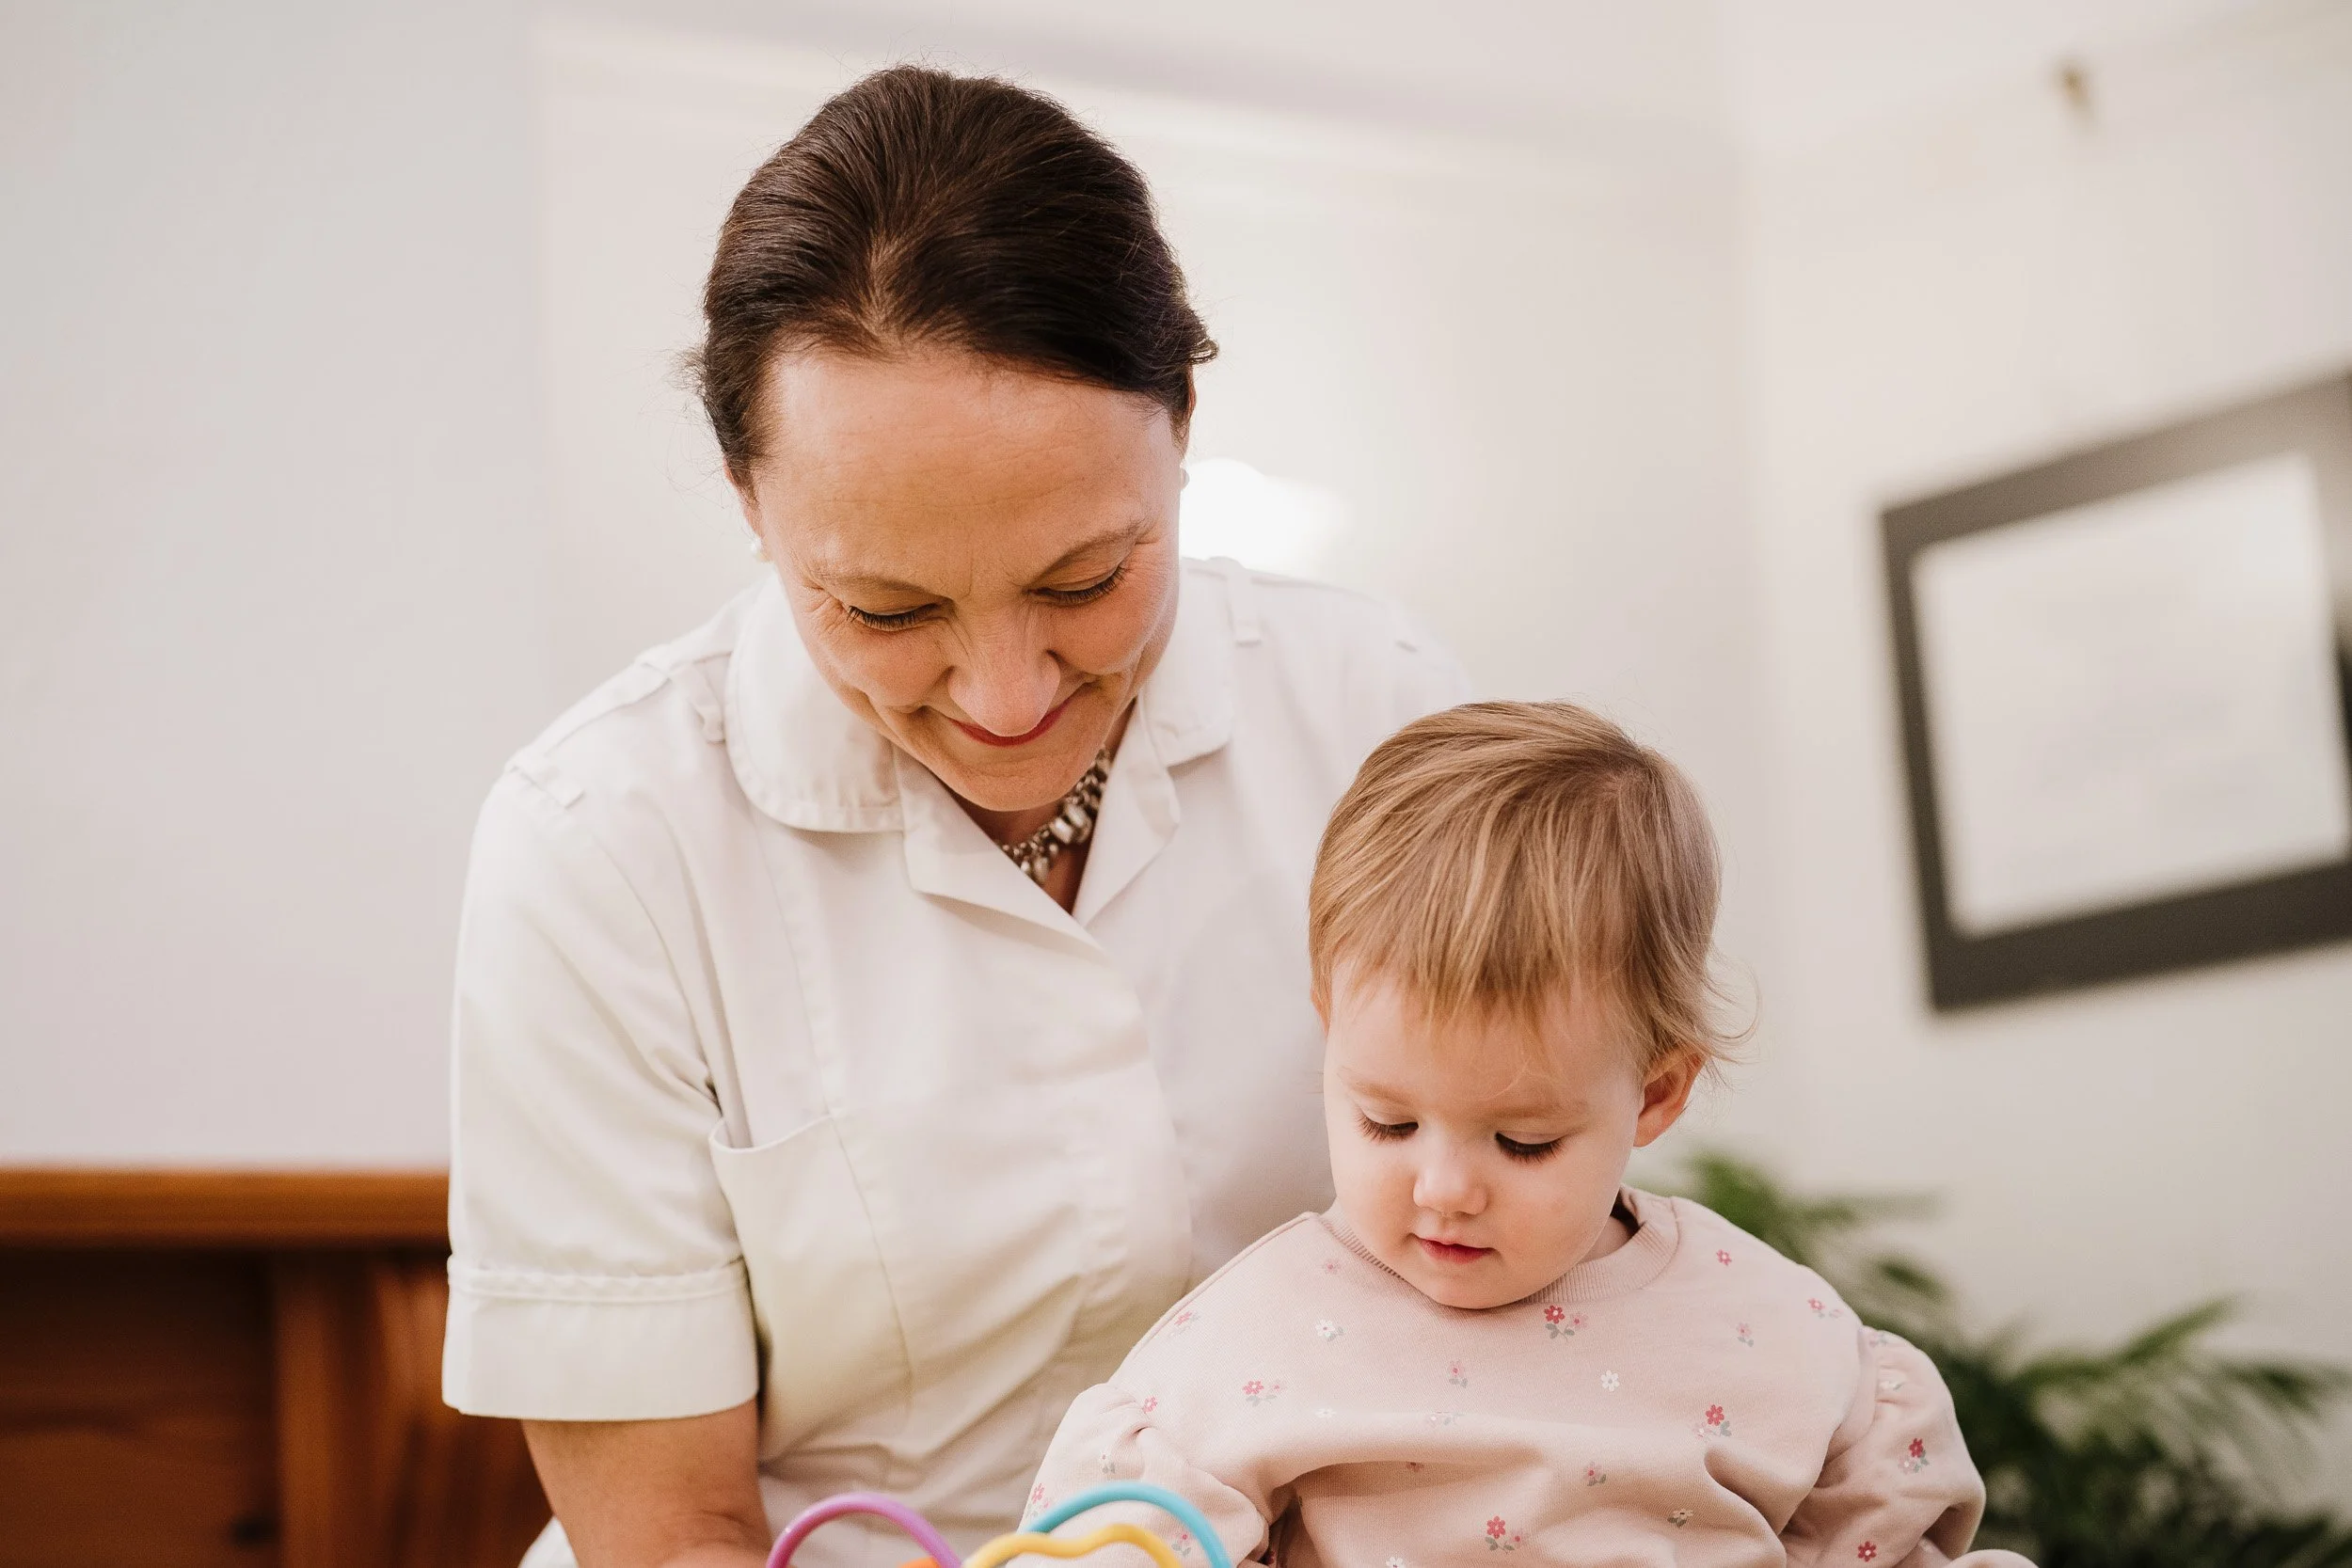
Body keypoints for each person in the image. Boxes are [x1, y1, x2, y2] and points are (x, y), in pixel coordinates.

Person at [439, 66, 1468, 1568]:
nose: (1001, 696)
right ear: (748, 500)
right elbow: (668, 1534)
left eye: (1084, 579)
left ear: (1180, 427)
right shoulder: (602, 842)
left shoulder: (1379, 712)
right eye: (885, 606)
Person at [1024, 703, 2033, 1567]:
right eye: (1388, 1120)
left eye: (1522, 1141)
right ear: (1332, 1031)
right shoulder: (1248, 1345)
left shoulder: (1775, 1333)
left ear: (1653, 1093)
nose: (1445, 1186)